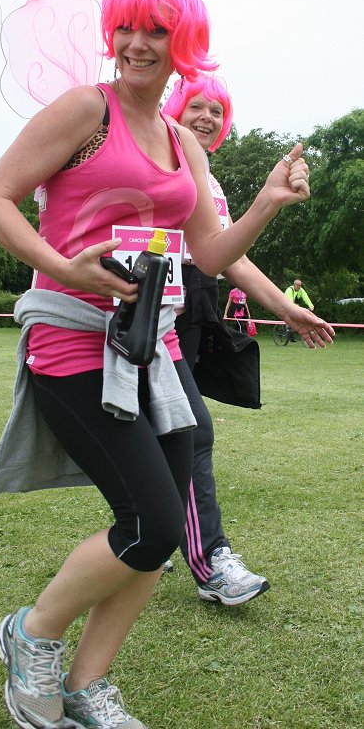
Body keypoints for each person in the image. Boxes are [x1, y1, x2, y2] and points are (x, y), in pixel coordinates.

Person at [0, 0, 331, 729]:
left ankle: (86, 687)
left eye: (157, 30)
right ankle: (30, 635)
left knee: (156, 537)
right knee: (153, 525)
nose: (136, 42)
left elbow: (209, 251)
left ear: (184, 43)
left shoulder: (181, 143)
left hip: (148, 349)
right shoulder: (83, 110)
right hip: (70, 338)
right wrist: (61, 265)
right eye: (127, 26)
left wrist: (266, 201)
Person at [161, 74, 334, 606]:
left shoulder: (208, 180)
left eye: (217, 109)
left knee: (168, 432)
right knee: (190, 429)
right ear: (174, 108)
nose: (208, 116)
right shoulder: (155, 158)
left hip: (193, 307)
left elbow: (227, 255)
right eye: (197, 105)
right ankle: (210, 559)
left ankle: (152, 529)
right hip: (149, 308)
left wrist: (286, 309)